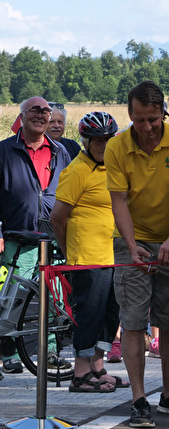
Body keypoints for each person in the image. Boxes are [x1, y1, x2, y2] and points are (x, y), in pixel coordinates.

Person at [104, 81, 169, 428]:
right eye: (140, 120)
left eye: (154, 120)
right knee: (132, 320)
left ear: (163, 112)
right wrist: (132, 248)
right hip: (133, 240)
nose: (147, 128)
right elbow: (119, 202)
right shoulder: (116, 147)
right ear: (130, 115)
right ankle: (138, 399)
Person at [51, 111, 129, 393]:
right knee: (90, 315)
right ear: (85, 141)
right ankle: (80, 374)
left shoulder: (114, 168)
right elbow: (57, 219)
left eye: (108, 139)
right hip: (87, 257)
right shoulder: (76, 171)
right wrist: (69, 249)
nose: (103, 145)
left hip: (113, 254)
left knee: (111, 315)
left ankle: (97, 367)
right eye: (97, 140)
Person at [0, 96, 71, 374]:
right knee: (11, 298)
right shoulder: (5, 150)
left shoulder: (60, 151)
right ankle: (7, 354)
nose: (41, 115)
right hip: (18, 236)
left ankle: (50, 351)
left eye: (46, 111)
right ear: (22, 116)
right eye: (35, 110)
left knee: (54, 298)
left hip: (53, 236)